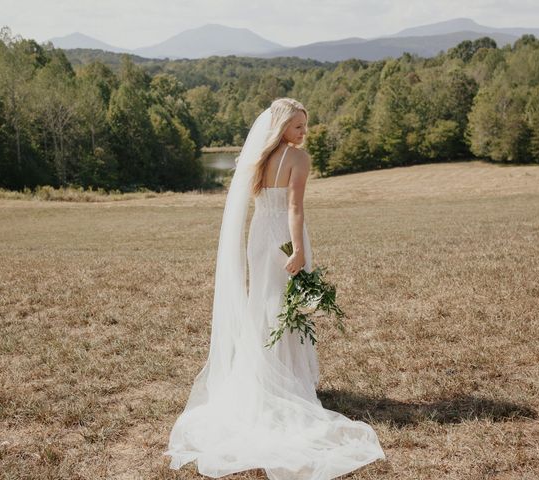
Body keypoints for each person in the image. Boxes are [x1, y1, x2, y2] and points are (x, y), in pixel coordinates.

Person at [163, 98, 385, 479]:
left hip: (259, 237)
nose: (304, 133)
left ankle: (267, 374)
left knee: (265, 306)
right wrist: (298, 249)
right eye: (298, 127)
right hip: (283, 235)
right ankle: (290, 381)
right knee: (288, 306)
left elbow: (258, 201)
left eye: (304, 126)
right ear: (282, 126)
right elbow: (294, 208)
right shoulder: (299, 159)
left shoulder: (258, 159)